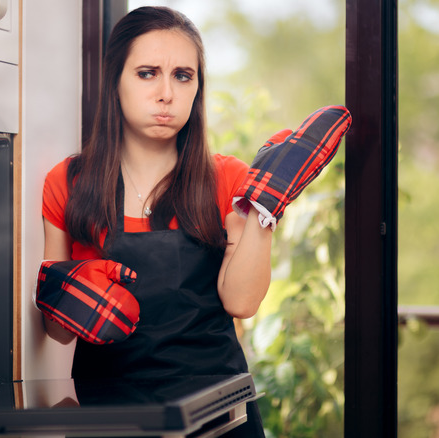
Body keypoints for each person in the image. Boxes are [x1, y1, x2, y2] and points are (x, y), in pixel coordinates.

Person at [40, 6, 272, 436]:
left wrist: (264, 211)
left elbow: (243, 304)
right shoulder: (68, 184)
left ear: (197, 88)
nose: (167, 93)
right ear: (116, 82)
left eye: (183, 75)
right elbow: (57, 333)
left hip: (217, 419)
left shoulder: (232, 181)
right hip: (111, 420)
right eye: (148, 73)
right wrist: (72, 287)